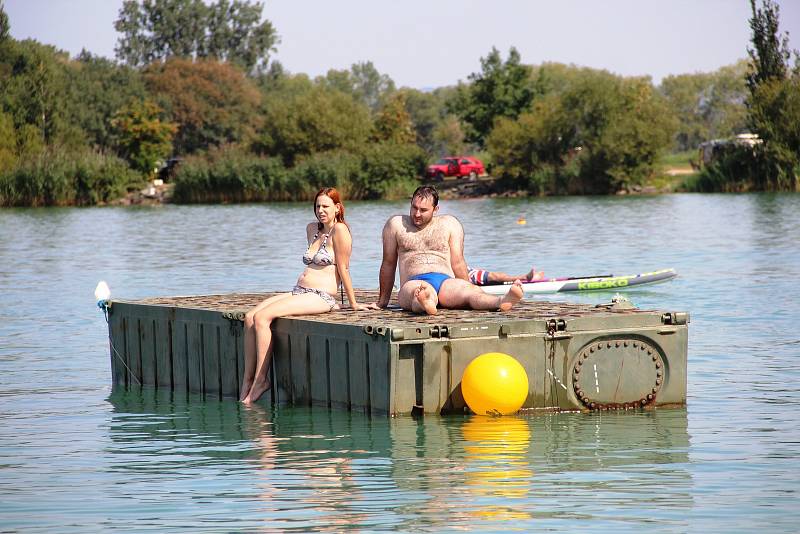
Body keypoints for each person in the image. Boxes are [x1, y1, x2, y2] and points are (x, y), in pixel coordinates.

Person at [241, 187, 373, 404]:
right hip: (299, 291)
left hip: (321, 296)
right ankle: (247, 380)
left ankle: (261, 380)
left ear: (337, 208)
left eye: (325, 206)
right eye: (317, 206)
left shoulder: (341, 231)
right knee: (249, 317)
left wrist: (354, 303)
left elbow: (344, 269)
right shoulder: (311, 228)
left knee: (263, 318)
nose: (320, 210)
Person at [376, 185, 524, 315]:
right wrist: (382, 302)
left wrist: (467, 286)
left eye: (423, 210)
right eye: (414, 207)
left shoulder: (450, 224)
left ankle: (501, 301)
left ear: (435, 209)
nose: (417, 214)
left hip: (445, 281)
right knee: (417, 294)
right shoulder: (396, 225)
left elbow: (458, 262)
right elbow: (388, 264)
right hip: (414, 281)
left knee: (471, 293)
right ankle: (426, 302)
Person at [467, 266, 544, 286]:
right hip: (466, 276)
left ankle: (528, 278)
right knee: (495, 276)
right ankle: (525, 278)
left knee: (499, 275)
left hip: (468, 271)